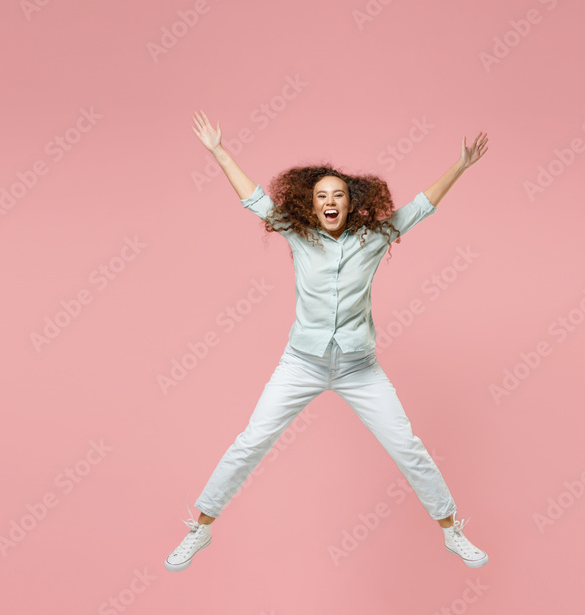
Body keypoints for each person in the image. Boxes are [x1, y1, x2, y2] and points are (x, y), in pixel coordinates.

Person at [165, 110, 490, 572]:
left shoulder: (375, 237)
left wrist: (460, 165)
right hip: (301, 364)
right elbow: (254, 199)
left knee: (407, 447)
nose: (330, 201)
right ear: (310, 205)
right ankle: (199, 529)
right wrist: (219, 150)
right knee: (251, 441)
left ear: (352, 202)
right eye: (322, 196)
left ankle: (452, 531)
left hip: (360, 369)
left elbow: (421, 206)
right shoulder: (299, 237)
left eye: (338, 194)